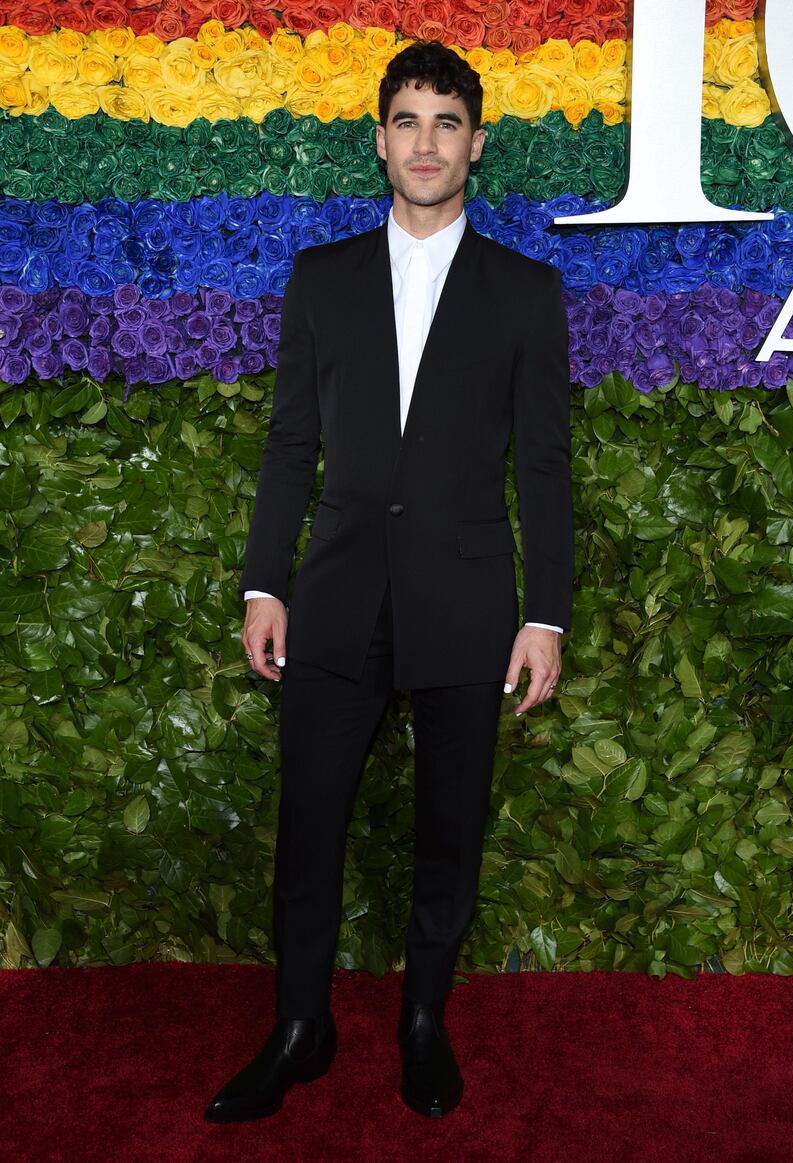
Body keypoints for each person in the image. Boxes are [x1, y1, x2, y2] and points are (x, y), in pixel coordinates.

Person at [204, 38, 572, 1123]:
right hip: (334, 593)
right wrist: (261, 582)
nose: (424, 141)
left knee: (449, 829)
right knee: (307, 825)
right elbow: (287, 445)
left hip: (466, 599)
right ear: (379, 140)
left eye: (445, 122)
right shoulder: (321, 278)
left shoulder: (523, 291)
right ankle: (298, 1025)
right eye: (406, 120)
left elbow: (542, 463)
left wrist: (543, 610)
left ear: (475, 144)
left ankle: (422, 1019)